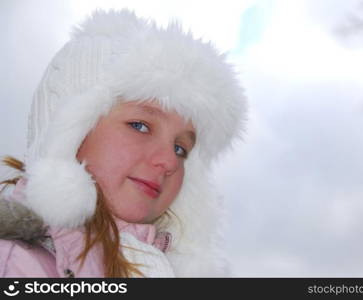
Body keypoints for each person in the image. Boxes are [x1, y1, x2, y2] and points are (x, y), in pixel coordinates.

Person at [0, 9, 247, 277]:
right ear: (68, 132)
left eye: (181, 149)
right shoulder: (14, 264)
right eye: (140, 126)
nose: (169, 161)